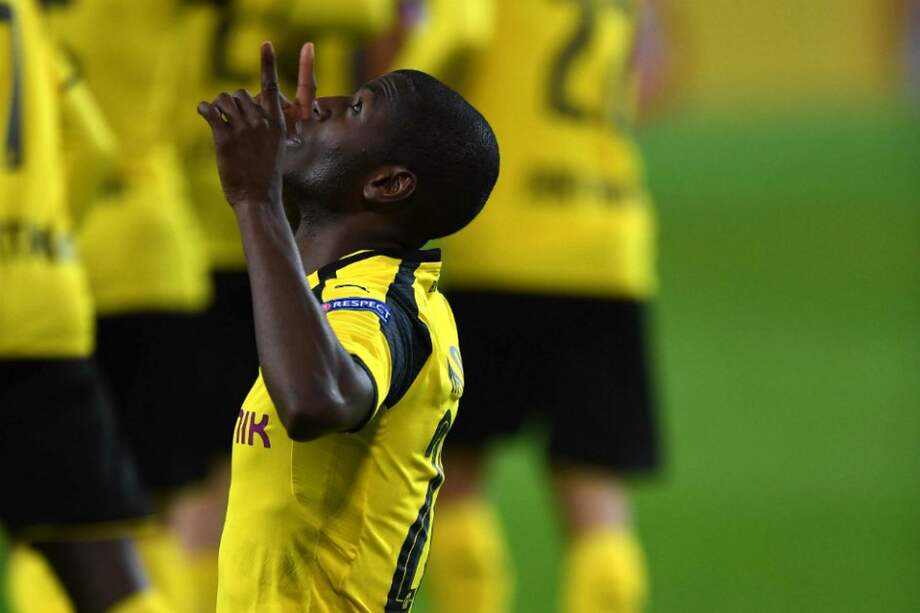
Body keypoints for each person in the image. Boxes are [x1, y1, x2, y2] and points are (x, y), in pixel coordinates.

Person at [196, 41, 498, 611]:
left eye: (356, 109)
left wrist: (256, 201)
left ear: (388, 184)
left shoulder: (383, 307)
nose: (320, 104)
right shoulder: (333, 291)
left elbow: (317, 399)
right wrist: (277, 185)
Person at [384, 1, 662, 612]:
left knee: (454, 479)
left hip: (495, 247)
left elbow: (453, 33)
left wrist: (380, 105)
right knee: (598, 503)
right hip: (609, 246)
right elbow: (651, 79)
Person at [0, 1, 170, 612]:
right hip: (41, 305)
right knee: (106, 572)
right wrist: (38, 238)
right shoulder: (22, 12)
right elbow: (93, 144)